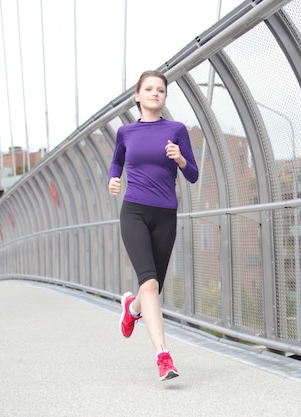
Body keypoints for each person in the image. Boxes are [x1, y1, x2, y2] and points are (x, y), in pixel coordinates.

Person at [108, 70, 199, 381]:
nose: (155, 93)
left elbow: (193, 174)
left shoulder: (176, 130)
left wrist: (181, 159)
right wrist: (113, 179)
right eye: (148, 89)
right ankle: (163, 356)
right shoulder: (125, 133)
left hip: (165, 215)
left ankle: (132, 309)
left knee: (153, 290)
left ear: (164, 97)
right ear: (137, 96)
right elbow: (116, 161)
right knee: (149, 284)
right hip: (133, 211)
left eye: (160, 90)